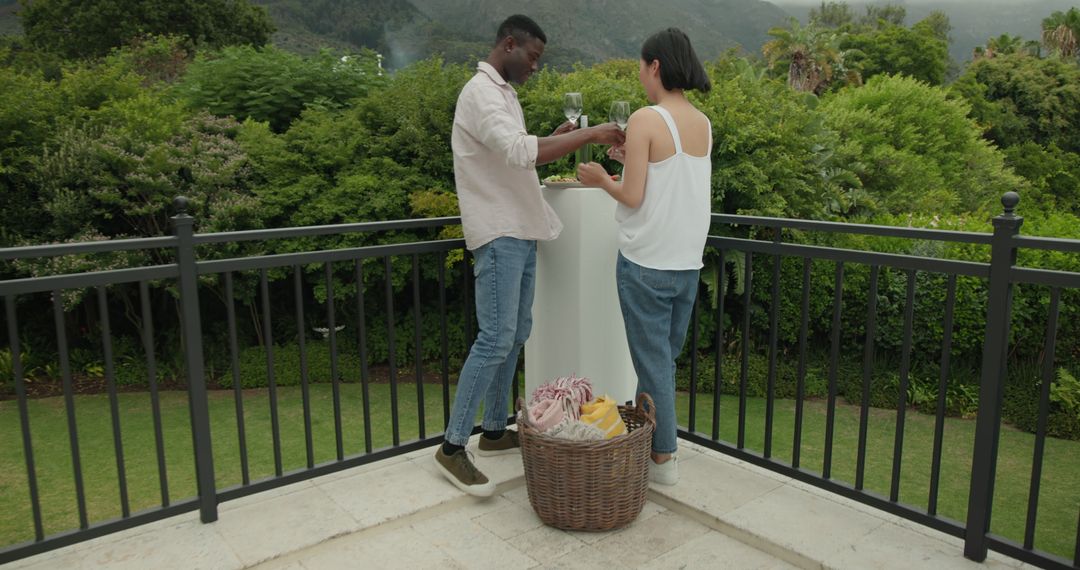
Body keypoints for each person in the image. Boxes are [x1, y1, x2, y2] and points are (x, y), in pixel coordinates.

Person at [435, 14, 625, 497]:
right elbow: (522, 153)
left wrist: (560, 133)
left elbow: (513, 152)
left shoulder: (503, 94)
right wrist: (587, 134)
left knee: (516, 332)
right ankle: (454, 446)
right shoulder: (480, 93)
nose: (536, 67)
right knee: (495, 338)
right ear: (509, 44)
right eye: (534, 57)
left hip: (519, 227)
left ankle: (495, 429)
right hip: (499, 231)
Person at [577, 27, 713, 486]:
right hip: (687, 265)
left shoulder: (645, 118)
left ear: (655, 66)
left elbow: (631, 196)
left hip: (646, 264)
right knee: (660, 363)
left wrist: (600, 178)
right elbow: (666, 184)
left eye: (640, 64)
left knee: (653, 365)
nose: (639, 73)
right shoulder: (702, 122)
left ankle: (662, 459)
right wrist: (627, 158)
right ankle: (649, 449)